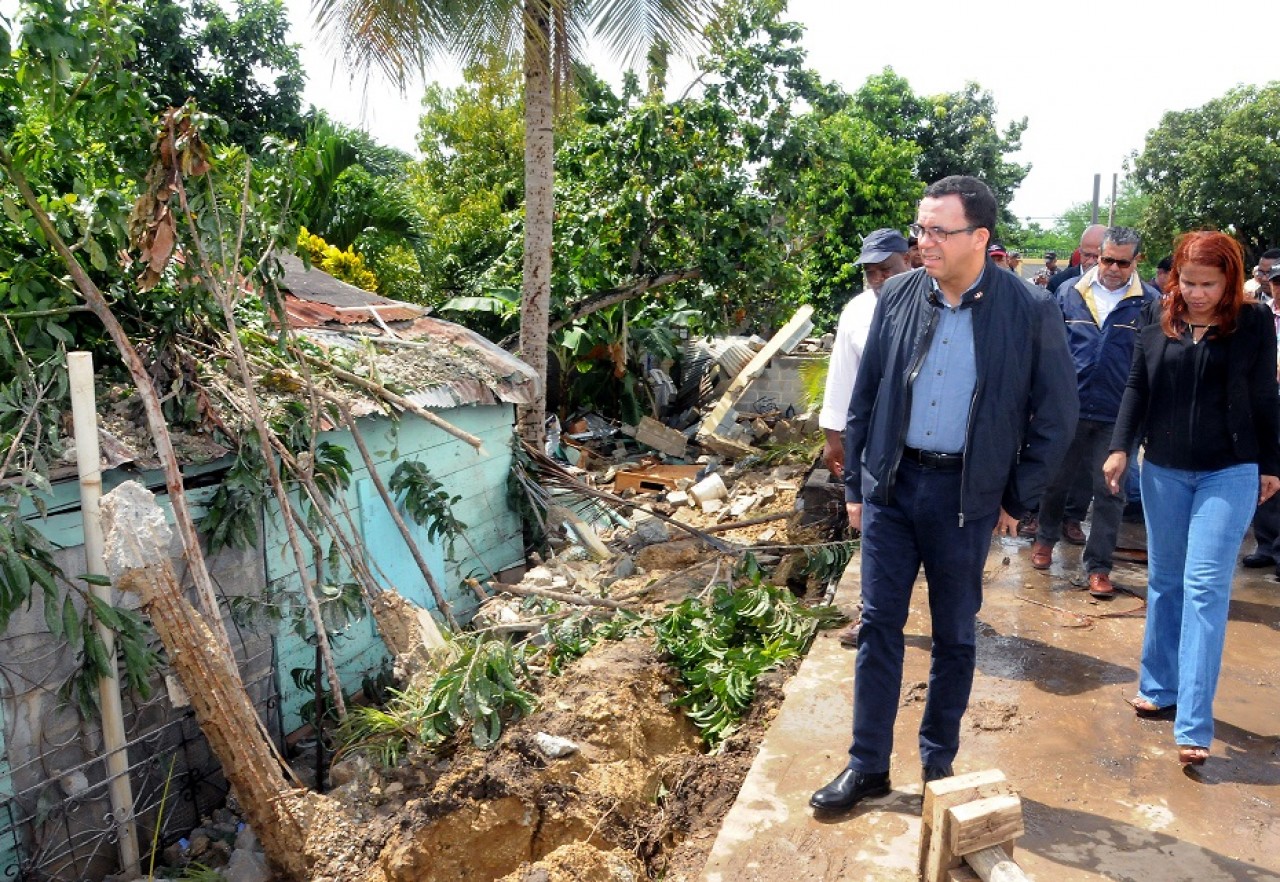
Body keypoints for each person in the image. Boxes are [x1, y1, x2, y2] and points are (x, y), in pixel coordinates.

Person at [809, 176, 1077, 811]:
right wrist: (857, 486)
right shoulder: (898, 294)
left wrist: (1018, 497)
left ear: (979, 237)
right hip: (893, 490)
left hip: (965, 495)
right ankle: (868, 764)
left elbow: (1057, 416)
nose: (923, 242)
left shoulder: (1028, 310)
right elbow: (866, 395)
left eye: (938, 231)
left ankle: (937, 765)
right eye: (920, 229)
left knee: (956, 635)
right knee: (878, 624)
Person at [1103, 231, 1280, 767]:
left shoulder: (1251, 323)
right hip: (1163, 471)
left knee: (1205, 589)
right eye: (1189, 282)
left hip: (1228, 472)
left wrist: (1272, 463)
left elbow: (1266, 394)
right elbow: (1138, 387)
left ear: (1230, 281)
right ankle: (1158, 686)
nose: (1197, 293)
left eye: (1209, 284)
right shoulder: (1158, 317)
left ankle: (1194, 723)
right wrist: (1119, 448)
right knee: (1165, 581)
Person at [1029, 227, 1155, 597]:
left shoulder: (1150, 303)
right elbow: (1048, 352)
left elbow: (1151, 364)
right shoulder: (1068, 293)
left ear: (1137, 261)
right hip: (1069, 408)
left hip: (1118, 415)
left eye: (1122, 261)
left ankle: (1098, 566)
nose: (1113, 268)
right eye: (1107, 259)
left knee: (1110, 490)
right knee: (1055, 480)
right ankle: (1044, 540)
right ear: (1096, 256)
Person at [819, 229, 912, 649]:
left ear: (908, 260)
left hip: (922, 441)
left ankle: (954, 618)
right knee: (871, 528)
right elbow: (841, 377)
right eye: (871, 273)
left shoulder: (932, 303)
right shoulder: (856, 312)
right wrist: (832, 436)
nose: (878, 280)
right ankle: (869, 615)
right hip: (871, 437)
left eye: (886, 270)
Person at [1241, 261, 1280, 572]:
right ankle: (1266, 544)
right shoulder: (1259, 313)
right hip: (1264, 402)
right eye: (1275, 280)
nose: (1278, 286)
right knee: (1265, 473)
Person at [1048, 225, 1106, 293]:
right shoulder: (1058, 282)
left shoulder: (1117, 284)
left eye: (1096, 257)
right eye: (1086, 255)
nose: (1090, 261)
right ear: (1080, 250)